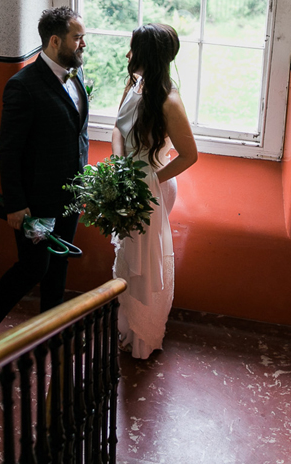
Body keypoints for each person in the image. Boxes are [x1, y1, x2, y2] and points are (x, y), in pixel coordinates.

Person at [0, 7, 90, 343]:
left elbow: (78, 132)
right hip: (36, 200)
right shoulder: (22, 86)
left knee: (59, 266)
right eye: (77, 38)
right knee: (35, 267)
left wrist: (83, 184)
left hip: (70, 195)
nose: (84, 44)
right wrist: (17, 204)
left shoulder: (75, 73)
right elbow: (9, 150)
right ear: (55, 41)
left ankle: (49, 330)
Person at [111, 23, 198, 358]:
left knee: (145, 264)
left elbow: (190, 155)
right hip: (128, 179)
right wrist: (119, 169)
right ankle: (126, 324)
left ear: (147, 55)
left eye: (134, 49)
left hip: (153, 188)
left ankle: (143, 337)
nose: (128, 55)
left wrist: (149, 180)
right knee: (129, 256)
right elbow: (118, 128)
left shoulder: (168, 101)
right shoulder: (134, 85)